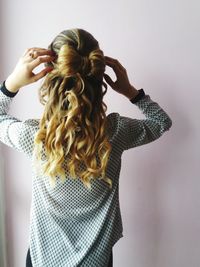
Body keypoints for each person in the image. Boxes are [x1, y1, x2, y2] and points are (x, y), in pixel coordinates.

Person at [0, 28, 172, 267]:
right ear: (99, 76)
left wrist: (11, 84)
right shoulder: (116, 132)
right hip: (96, 261)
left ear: (52, 80)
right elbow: (161, 122)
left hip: (42, 261)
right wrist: (130, 91)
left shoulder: (36, 137)